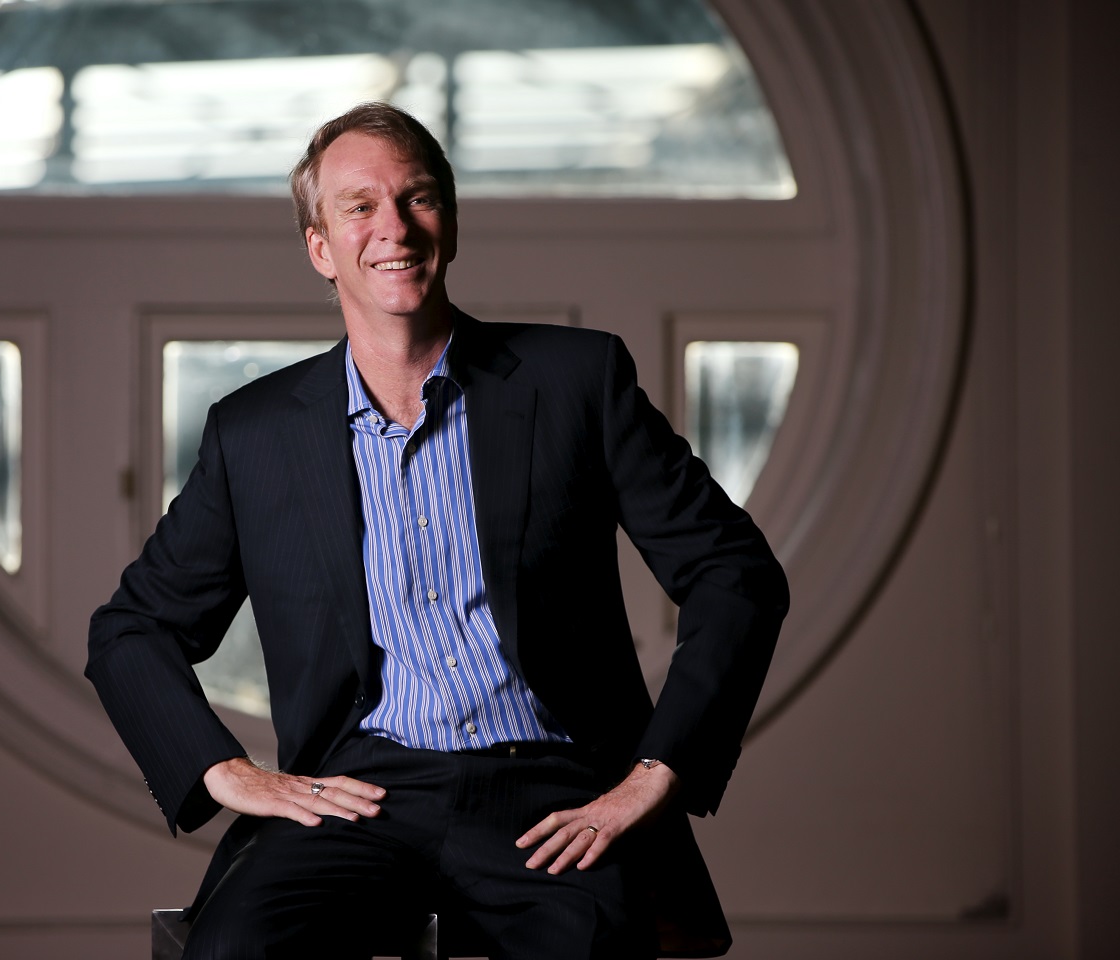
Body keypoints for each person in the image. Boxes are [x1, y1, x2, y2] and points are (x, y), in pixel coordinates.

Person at [87, 102, 788, 960]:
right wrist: (222, 771)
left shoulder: (576, 381)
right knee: (233, 951)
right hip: (359, 789)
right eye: (360, 206)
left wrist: (656, 773)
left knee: (595, 946)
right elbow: (131, 629)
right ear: (320, 248)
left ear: (449, 225)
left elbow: (734, 572)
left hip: (551, 789)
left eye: (417, 198)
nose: (394, 226)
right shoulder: (255, 433)